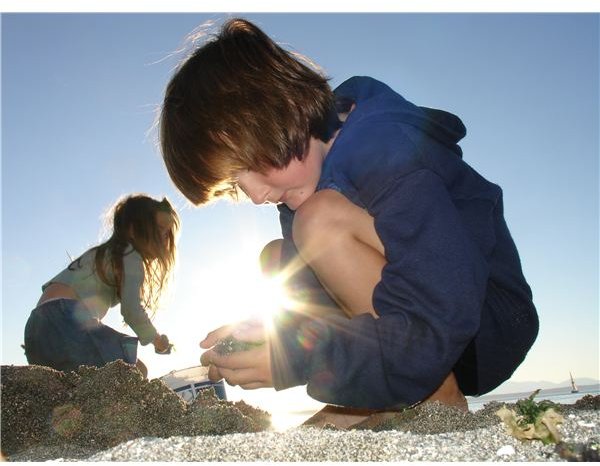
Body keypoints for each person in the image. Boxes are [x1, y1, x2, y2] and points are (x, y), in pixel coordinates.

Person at [158, 18, 539, 425]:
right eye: (236, 186)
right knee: (279, 258)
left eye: (249, 166)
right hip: (412, 339)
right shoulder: (301, 193)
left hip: (480, 324)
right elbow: (318, 300)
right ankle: (377, 399)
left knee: (317, 224)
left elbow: (440, 308)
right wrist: (270, 338)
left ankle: (437, 402)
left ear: (284, 109)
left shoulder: (386, 147)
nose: (254, 196)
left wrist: (295, 359)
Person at [23, 194, 179, 378]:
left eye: (166, 234)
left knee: (74, 385)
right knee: (134, 372)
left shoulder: (101, 254)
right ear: (133, 227)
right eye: (159, 230)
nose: (164, 239)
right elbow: (131, 310)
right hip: (65, 320)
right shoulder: (130, 254)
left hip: (35, 329)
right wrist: (157, 340)